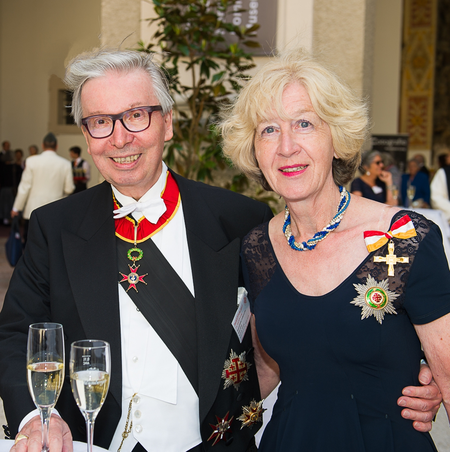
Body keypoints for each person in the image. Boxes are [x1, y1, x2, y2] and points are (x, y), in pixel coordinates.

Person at [0, 48, 273, 452]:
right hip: (91, 443)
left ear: (168, 123)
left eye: (136, 115)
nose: (119, 137)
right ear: (86, 135)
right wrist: (39, 417)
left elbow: (289, 330)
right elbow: (15, 334)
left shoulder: (239, 220)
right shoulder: (54, 225)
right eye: (99, 122)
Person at [221, 48, 449, 451]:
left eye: (304, 124)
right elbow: (262, 370)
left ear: (338, 140)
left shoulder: (405, 237)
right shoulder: (257, 247)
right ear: (254, 150)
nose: (286, 146)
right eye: (268, 130)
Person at [10, 132, 74, 243]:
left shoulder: (31, 161)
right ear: (56, 146)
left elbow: (25, 187)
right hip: (55, 210)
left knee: (31, 244)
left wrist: (16, 208)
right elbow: (69, 188)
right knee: (52, 244)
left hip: (33, 210)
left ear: (42, 145)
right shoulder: (65, 164)